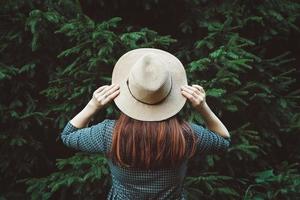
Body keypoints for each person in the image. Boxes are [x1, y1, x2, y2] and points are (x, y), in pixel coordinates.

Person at [61, 48, 230, 199]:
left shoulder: (109, 133)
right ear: (169, 92)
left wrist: (93, 105)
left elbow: (68, 135)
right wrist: (202, 107)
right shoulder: (185, 134)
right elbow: (223, 140)